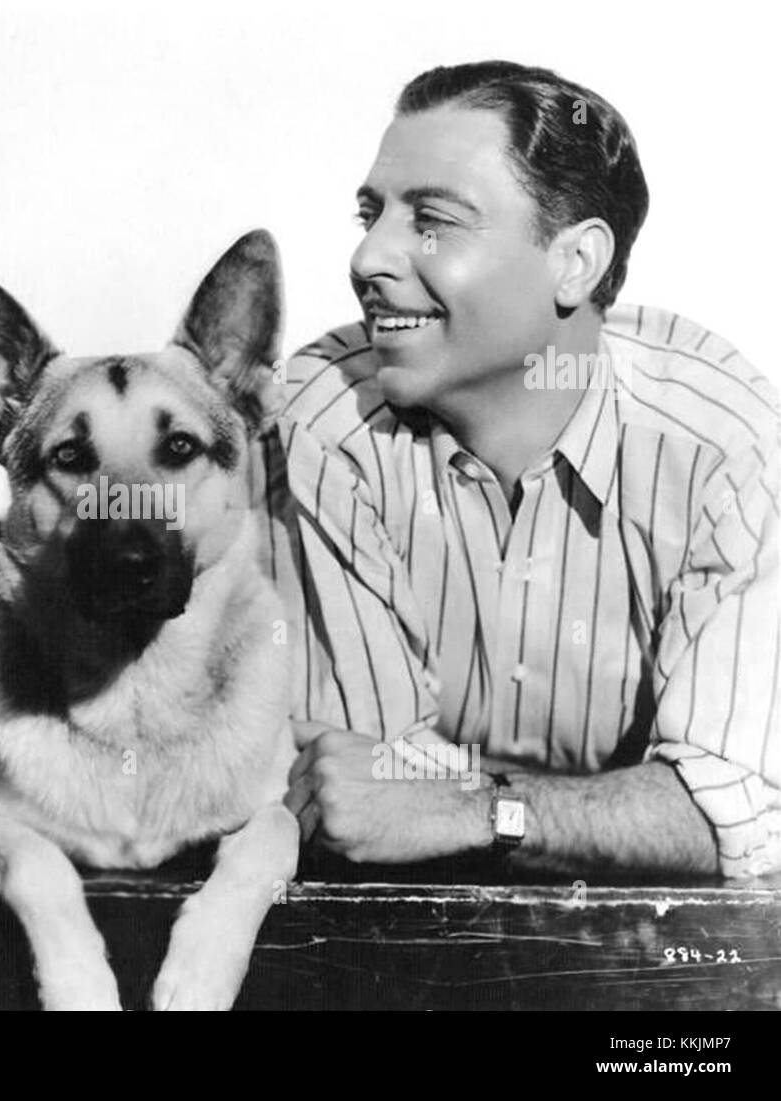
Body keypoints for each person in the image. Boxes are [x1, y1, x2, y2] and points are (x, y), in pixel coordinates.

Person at [270, 61, 779, 879]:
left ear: (574, 262)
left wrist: (476, 811)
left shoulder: (722, 449)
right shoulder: (326, 423)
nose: (367, 257)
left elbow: (741, 811)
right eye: (371, 215)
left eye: (431, 220)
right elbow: (359, 796)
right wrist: (603, 810)